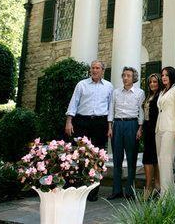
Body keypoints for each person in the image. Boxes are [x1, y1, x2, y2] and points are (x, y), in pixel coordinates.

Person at [65, 59, 114, 202]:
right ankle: (77, 188)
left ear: (103, 70)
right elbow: (73, 103)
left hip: (100, 122)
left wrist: (110, 126)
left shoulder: (109, 87)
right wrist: (69, 121)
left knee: (99, 156)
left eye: (98, 68)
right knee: (79, 154)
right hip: (82, 121)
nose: (95, 70)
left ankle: (93, 191)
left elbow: (111, 107)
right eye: (93, 68)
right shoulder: (82, 85)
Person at [107, 67, 145, 200]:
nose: (125, 78)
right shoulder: (116, 92)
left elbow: (141, 112)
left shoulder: (140, 93)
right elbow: (111, 109)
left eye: (128, 76)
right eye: (124, 75)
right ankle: (116, 190)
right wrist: (110, 127)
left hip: (132, 125)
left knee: (131, 158)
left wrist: (139, 129)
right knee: (117, 158)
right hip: (117, 124)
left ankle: (130, 191)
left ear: (134, 78)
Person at [155, 66, 175, 195]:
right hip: (159, 128)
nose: (164, 77)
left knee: (166, 161)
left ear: (172, 76)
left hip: (170, 129)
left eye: (167, 75)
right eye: (162, 75)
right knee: (161, 161)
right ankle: (170, 193)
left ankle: (165, 196)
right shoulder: (162, 92)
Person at [142, 73, 162, 199]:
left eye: (155, 82)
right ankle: (155, 186)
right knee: (150, 159)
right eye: (150, 82)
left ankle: (150, 188)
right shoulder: (149, 96)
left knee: (151, 159)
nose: (152, 84)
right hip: (147, 130)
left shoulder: (160, 96)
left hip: (156, 130)